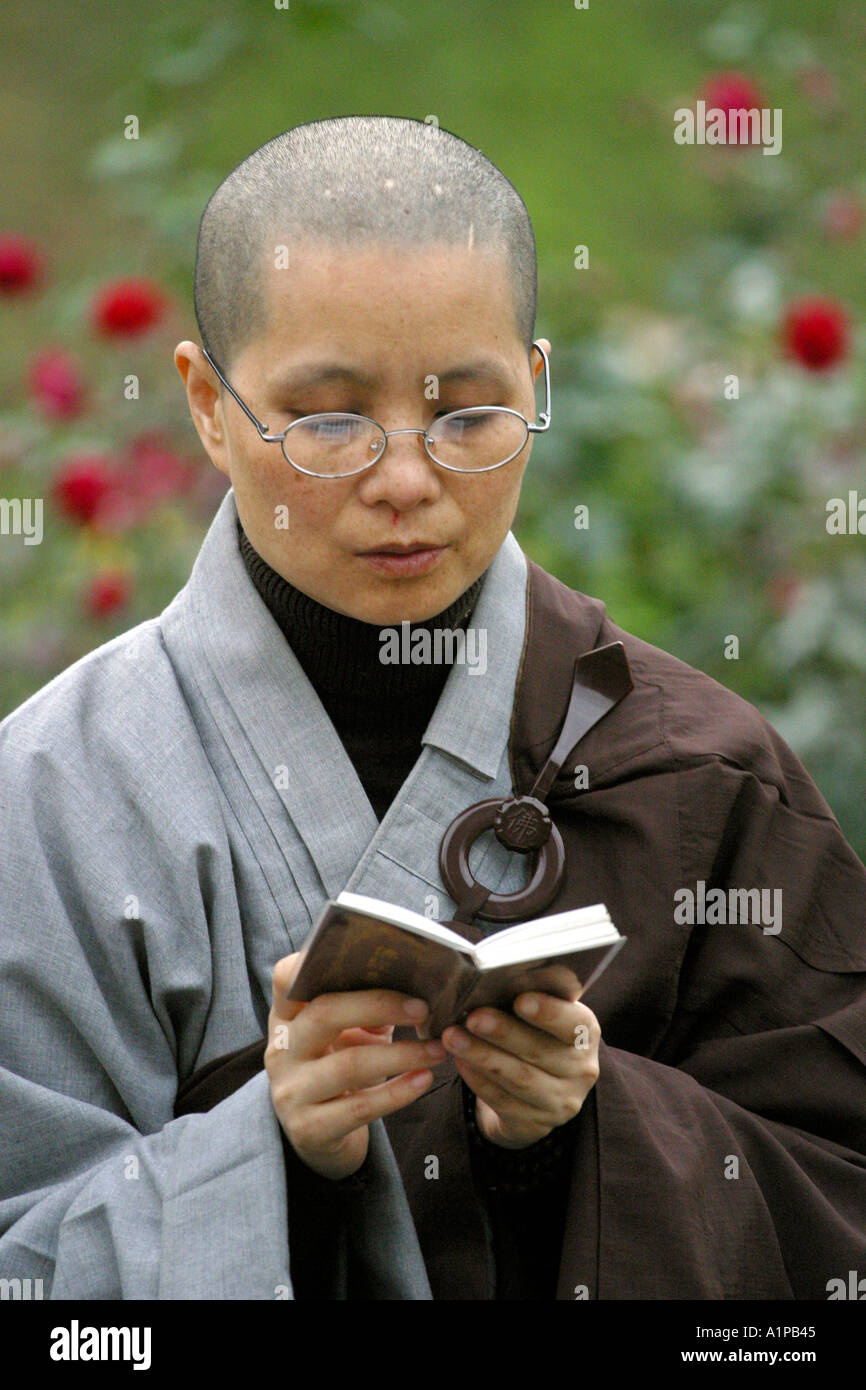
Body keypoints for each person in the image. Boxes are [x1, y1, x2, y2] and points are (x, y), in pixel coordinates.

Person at [1, 115, 864, 1301]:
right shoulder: (51, 797)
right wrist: (270, 1155)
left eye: (466, 415)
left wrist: (585, 1131)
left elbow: (837, 1213)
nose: (405, 479)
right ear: (207, 403)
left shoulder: (699, 770)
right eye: (327, 420)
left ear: (537, 383)